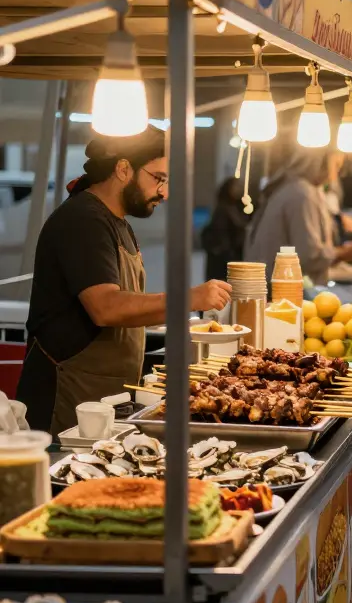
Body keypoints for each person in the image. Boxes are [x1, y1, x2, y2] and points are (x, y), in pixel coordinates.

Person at [18, 129, 232, 433]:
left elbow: (127, 305)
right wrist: (188, 298)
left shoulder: (117, 223)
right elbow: (106, 308)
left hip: (103, 396)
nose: (164, 193)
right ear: (123, 169)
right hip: (65, 399)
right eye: (159, 178)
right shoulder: (83, 220)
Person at [244, 143, 352, 283]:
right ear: (322, 162)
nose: (339, 173)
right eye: (337, 165)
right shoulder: (302, 194)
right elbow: (309, 256)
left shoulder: (299, 188)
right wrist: (348, 252)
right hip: (278, 288)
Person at [202, 176, 251, 282]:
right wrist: (231, 258)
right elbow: (221, 238)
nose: (239, 190)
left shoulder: (237, 209)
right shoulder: (222, 210)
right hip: (223, 266)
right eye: (236, 186)